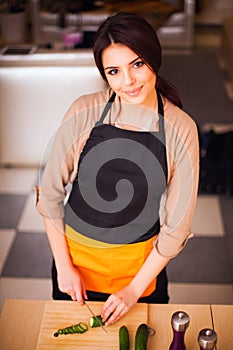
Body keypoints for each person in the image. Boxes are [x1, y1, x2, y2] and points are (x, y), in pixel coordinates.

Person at [35, 12, 199, 325]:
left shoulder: (181, 128)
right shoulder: (84, 111)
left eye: (137, 64)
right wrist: (65, 268)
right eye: (114, 71)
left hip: (140, 272)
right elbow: (51, 194)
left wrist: (134, 290)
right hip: (76, 267)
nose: (128, 81)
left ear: (154, 57)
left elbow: (176, 228)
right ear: (105, 75)